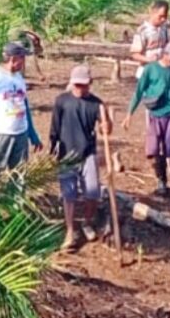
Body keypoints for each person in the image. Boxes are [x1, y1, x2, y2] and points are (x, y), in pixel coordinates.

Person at [123, 41, 170, 205]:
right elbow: (139, 91)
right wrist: (129, 114)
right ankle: (162, 182)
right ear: (165, 54)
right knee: (154, 150)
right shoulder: (151, 69)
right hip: (154, 113)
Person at [50, 65, 110, 251]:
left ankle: (87, 221)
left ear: (89, 84)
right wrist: (52, 148)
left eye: (83, 85)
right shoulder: (62, 101)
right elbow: (55, 128)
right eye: (77, 84)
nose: (80, 88)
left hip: (88, 153)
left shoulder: (96, 104)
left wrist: (106, 125)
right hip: (67, 154)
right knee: (69, 194)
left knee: (92, 192)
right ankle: (70, 231)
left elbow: (105, 127)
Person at [0, 41, 43, 171]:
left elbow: (24, 107)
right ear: (13, 58)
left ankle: (14, 192)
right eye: (22, 58)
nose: (24, 62)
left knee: (19, 175)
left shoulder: (19, 78)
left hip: (21, 133)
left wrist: (32, 135)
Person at [129, 0, 170, 78]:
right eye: (160, 16)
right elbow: (135, 54)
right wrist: (149, 59)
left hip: (162, 72)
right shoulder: (143, 31)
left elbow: (166, 47)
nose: (163, 19)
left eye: (165, 17)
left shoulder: (164, 29)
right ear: (152, 13)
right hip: (146, 72)